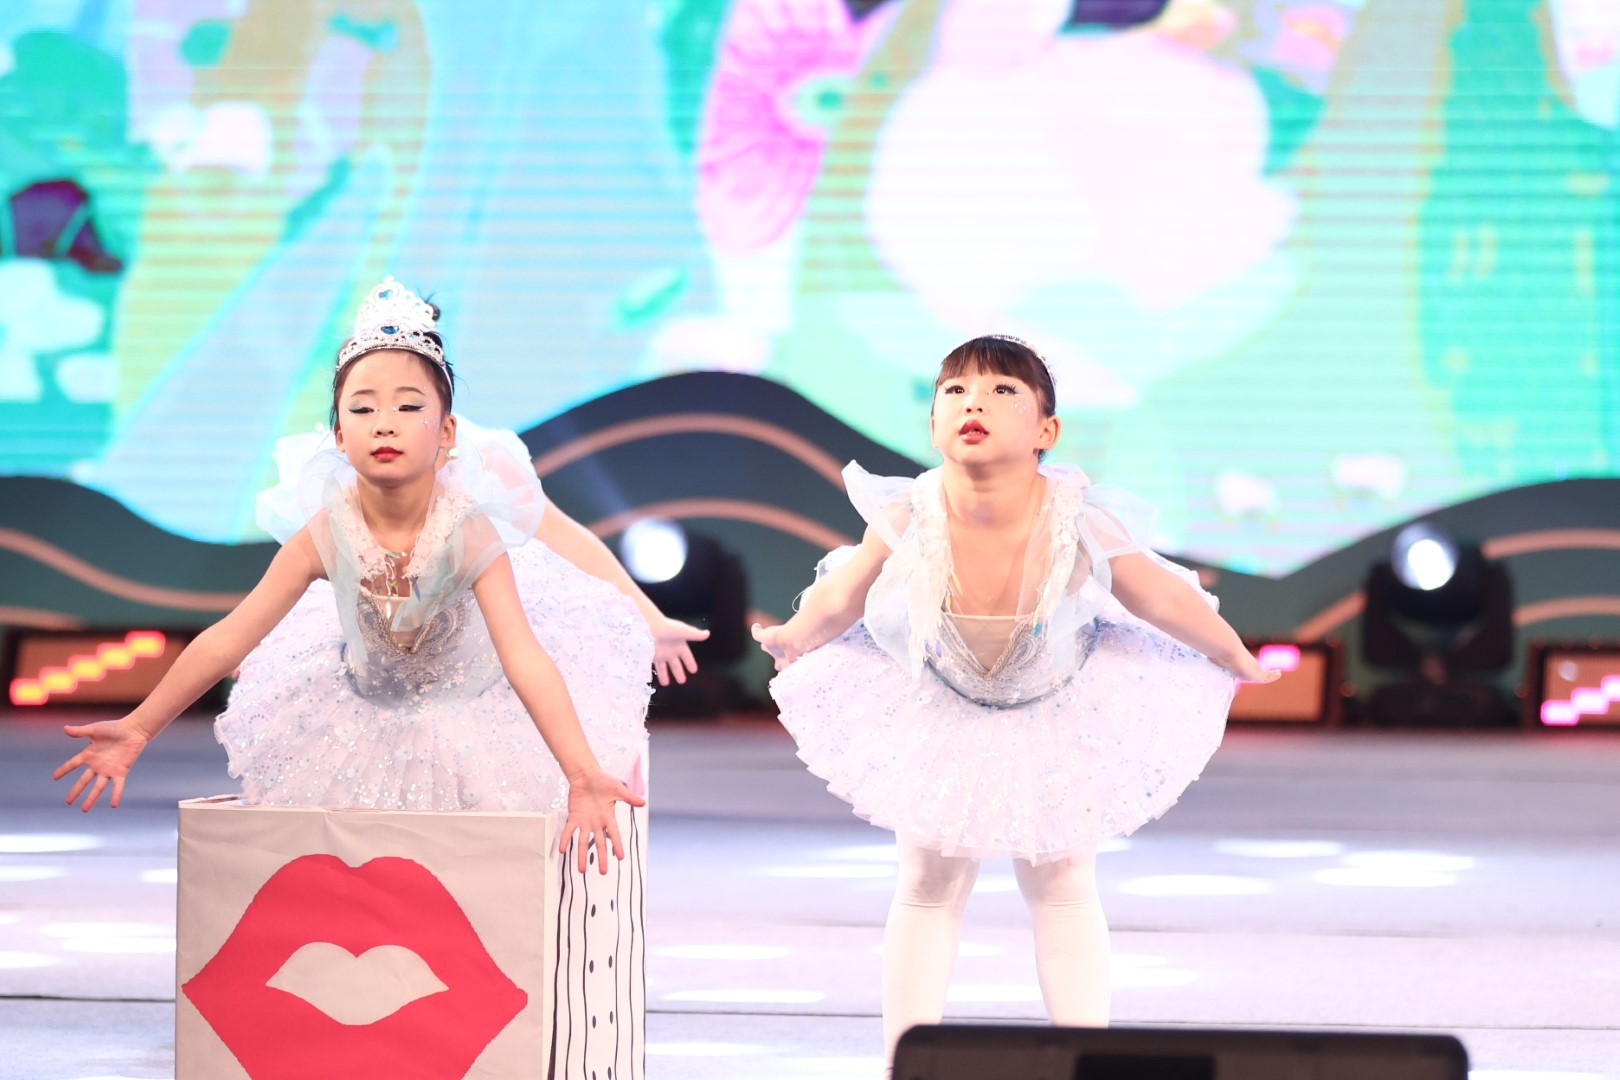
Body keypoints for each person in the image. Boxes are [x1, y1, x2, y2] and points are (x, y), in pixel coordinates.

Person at [753, 335, 1279, 1059]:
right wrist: (794, 636)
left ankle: (1085, 1056)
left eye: (1002, 391)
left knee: (1061, 877)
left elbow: (1158, 596)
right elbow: (844, 594)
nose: (974, 403)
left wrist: (1233, 654)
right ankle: (907, 1058)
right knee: (928, 877)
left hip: (1056, 700)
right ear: (933, 425)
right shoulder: (907, 512)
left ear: (1046, 430)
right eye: (955, 392)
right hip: (942, 698)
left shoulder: (1079, 516)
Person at [54, 276, 661, 871]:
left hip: (469, 709)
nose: (385, 422)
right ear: (340, 435)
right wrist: (139, 727)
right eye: (363, 408)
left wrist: (581, 772)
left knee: (463, 872)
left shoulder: (470, 531)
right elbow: (229, 638)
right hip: (359, 707)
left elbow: (522, 655)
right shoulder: (323, 534)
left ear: (447, 432)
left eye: (409, 406)